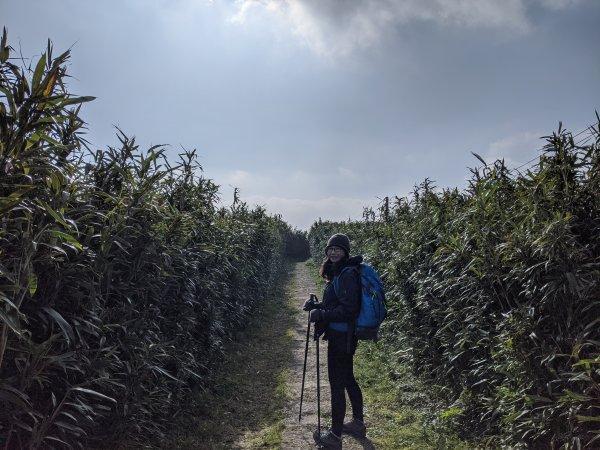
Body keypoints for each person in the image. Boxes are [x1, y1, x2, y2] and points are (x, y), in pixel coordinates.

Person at [303, 233, 367, 449]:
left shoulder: (347, 274)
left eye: (338, 249)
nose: (333, 252)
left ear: (345, 252)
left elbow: (349, 310)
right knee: (348, 379)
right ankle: (358, 424)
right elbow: (338, 303)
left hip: (343, 337)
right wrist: (318, 306)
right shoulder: (340, 272)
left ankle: (335, 437)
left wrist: (322, 315)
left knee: (337, 385)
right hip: (344, 336)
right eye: (330, 249)